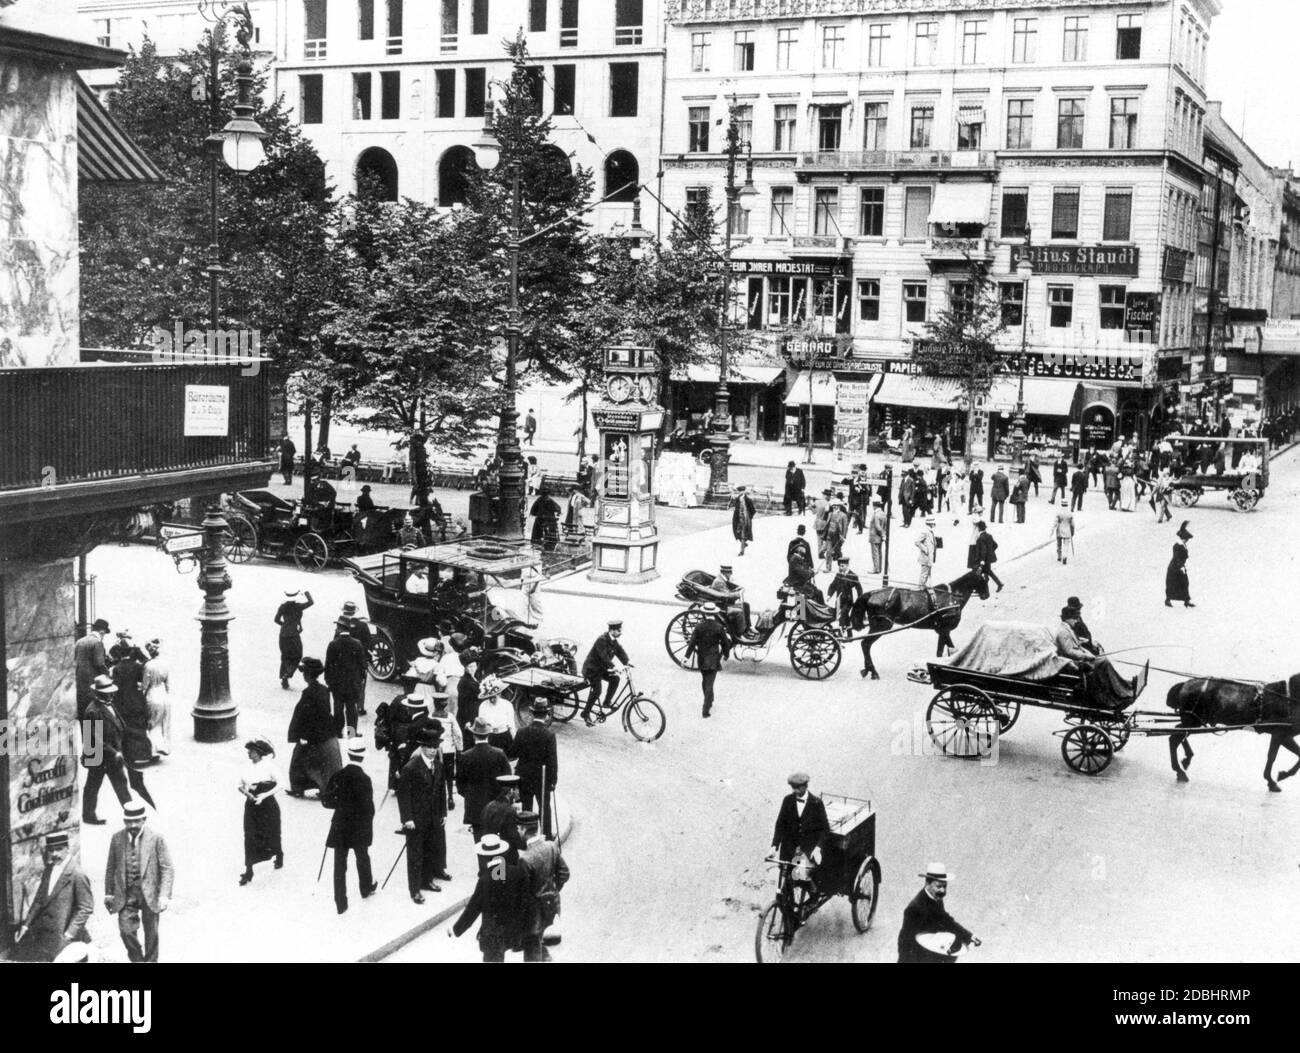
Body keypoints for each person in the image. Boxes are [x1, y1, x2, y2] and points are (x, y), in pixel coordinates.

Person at [104, 801, 174, 964]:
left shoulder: (156, 838)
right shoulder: (117, 838)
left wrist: (164, 895)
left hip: (150, 894)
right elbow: (111, 867)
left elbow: (167, 869)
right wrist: (109, 893)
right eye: (129, 821)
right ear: (124, 821)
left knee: (152, 933)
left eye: (137, 820)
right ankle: (137, 960)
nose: (133, 824)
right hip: (126, 895)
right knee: (126, 931)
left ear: (144, 819)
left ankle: (151, 961)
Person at [11, 831, 92, 963]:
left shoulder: (77, 874)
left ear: (67, 848)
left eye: (59, 849)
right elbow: (39, 900)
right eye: (51, 850)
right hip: (44, 934)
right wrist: (25, 926)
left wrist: (69, 934)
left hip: (65, 937)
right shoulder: (49, 869)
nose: (55, 854)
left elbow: (86, 907)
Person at [450, 835, 530, 962]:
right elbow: (524, 899)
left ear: (484, 857)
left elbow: (473, 909)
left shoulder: (485, 880)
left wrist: (456, 929)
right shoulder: (516, 872)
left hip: (492, 934)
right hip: (510, 930)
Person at [322, 737, 377, 914]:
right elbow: (369, 808)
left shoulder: (338, 775)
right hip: (359, 826)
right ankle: (366, 887)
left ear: (348, 754)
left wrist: (339, 805)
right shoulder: (364, 779)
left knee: (339, 864)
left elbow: (327, 800)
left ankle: (340, 901)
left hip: (340, 825)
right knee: (362, 857)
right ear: (363, 757)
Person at [397, 726, 451, 903]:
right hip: (416, 819)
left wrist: (443, 813)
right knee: (415, 855)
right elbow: (403, 795)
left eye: (435, 747)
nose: (433, 750)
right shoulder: (411, 768)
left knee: (430, 851)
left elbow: (442, 790)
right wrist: (407, 819)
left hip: (433, 817)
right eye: (430, 747)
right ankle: (414, 890)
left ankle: (427, 881)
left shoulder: (439, 766)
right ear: (422, 747)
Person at [897, 864, 978, 963]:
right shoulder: (914, 909)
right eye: (939, 886)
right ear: (927, 883)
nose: (943, 890)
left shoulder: (936, 898)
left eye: (945, 886)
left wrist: (969, 936)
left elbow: (946, 920)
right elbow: (906, 943)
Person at [517, 811, 570, 962]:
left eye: (518, 828)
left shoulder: (525, 859)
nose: (517, 831)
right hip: (552, 906)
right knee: (540, 947)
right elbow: (564, 873)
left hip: (533, 915)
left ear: (524, 830)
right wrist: (552, 890)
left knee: (532, 953)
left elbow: (524, 895)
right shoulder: (551, 846)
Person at [81, 674, 133, 825]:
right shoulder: (92, 711)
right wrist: (114, 752)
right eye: (108, 692)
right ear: (100, 693)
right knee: (93, 784)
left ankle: (130, 810)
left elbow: (119, 723)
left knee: (120, 782)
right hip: (98, 754)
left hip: (112, 753)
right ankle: (88, 815)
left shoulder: (108, 704)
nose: (112, 694)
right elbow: (94, 740)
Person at [286, 657, 342, 798]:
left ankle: (298, 788)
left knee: (298, 760)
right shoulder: (323, 690)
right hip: (326, 733)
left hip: (314, 734)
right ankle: (325, 790)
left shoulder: (309, 693)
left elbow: (306, 716)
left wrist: (303, 735)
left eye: (305, 673)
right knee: (326, 766)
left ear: (308, 675)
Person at [771, 773, 830, 893]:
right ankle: (788, 905)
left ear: (805, 786)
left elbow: (825, 829)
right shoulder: (788, 800)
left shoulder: (816, 803)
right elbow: (780, 824)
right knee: (786, 875)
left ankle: (813, 895)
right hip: (789, 848)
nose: (795, 791)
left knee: (803, 874)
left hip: (808, 849)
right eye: (793, 787)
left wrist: (818, 848)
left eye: (798, 787)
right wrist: (774, 846)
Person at [509, 699, 559, 838]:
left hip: (524, 775)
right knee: (544, 807)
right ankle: (547, 835)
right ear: (547, 714)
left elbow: (513, 753)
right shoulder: (549, 735)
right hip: (541, 777)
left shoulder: (522, 732)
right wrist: (553, 781)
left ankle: (527, 835)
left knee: (526, 807)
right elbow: (552, 761)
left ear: (531, 713)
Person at [237, 736, 283, 886]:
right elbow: (240, 784)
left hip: (267, 805)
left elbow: (280, 784)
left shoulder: (269, 766)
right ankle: (249, 870)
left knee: (272, 832)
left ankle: (278, 854)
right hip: (251, 804)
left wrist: (264, 795)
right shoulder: (247, 766)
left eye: (251, 751)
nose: (248, 753)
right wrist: (247, 793)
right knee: (249, 835)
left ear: (258, 752)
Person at [458, 718, 512, 840]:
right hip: (497, 807)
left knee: (480, 844)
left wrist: (471, 796)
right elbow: (508, 781)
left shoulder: (465, 756)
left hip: (475, 810)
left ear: (473, 735)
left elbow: (461, 787)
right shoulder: (499, 754)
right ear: (488, 735)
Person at [683, 602, 732, 718]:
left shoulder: (699, 627)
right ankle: (706, 709)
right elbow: (725, 643)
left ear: (704, 613)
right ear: (714, 614)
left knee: (705, 681)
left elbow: (692, 643)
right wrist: (726, 655)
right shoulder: (719, 627)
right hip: (713, 659)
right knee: (710, 683)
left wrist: (686, 657)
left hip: (702, 658)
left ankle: (710, 699)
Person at [581, 620, 630, 726]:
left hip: (601, 669)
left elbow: (620, 652)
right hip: (592, 670)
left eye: (620, 630)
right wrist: (614, 667)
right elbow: (604, 657)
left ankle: (607, 702)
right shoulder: (601, 640)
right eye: (618, 630)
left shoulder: (613, 641)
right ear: (612, 630)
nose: (620, 632)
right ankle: (585, 713)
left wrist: (627, 662)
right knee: (597, 691)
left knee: (615, 679)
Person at [325, 620, 367, 738]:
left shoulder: (333, 644)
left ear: (340, 628)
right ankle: (351, 733)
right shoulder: (357, 643)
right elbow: (362, 664)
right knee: (351, 709)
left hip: (337, 683)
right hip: (352, 683)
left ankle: (338, 732)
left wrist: (329, 681)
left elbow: (328, 665)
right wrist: (360, 680)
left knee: (338, 708)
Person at [479, 773, 527, 863]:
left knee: (495, 876)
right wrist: (527, 844)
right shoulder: (509, 810)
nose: (519, 792)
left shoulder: (489, 806)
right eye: (517, 789)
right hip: (506, 856)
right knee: (503, 876)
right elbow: (513, 836)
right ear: (511, 791)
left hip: (490, 854)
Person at [428, 694, 462, 811]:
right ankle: (450, 797)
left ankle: (435, 798)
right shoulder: (450, 717)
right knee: (449, 774)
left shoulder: (430, 716)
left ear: (434, 704)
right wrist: (459, 749)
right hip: (448, 750)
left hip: (434, 749)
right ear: (445, 705)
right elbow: (458, 734)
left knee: (434, 773)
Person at [274, 590, 314, 690]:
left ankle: (284, 678)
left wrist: (284, 625)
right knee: (297, 655)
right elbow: (311, 602)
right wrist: (306, 593)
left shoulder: (282, 606)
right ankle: (288, 673)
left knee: (285, 656)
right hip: (294, 635)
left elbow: (276, 620)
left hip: (283, 635)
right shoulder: (298, 606)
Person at [75, 617, 111, 720]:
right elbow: (99, 664)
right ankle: (95, 736)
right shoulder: (97, 643)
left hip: (79, 686)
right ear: (102, 632)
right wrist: (108, 675)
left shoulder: (79, 642)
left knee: (83, 713)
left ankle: (84, 736)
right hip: (93, 686)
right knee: (95, 715)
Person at [141, 639, 170, 757]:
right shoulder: (165, 664)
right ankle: (163, 745)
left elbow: (145, 685)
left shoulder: (148, 665)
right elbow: (168, 684)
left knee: (152, 722)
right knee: (162, 722)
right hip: (163, 694)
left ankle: (153, 749)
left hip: (152, 695)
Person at [475, 674, 515, 753]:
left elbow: (512, 725)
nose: (492, 699)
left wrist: (515, 740)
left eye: (494, 697)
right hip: (490, 737)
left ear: (499, 694)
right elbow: (481, 725)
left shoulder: (507, 705)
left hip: (504, 737)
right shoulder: (483, 706)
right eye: (490, 697)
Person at [827, 557, 862, 634]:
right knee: (845, 616)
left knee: (842, 615)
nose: (840, 567)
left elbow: (858, 588)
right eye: (839, 566)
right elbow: (833, 585)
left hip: (848, 601)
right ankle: (850, 635)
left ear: (847, 565)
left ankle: (840, 633)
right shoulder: (838, 575)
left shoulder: (853, 575)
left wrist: (860, 598)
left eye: (842, 566)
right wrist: (829, 595)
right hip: (839, 600)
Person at [1165, 521, 1195, 608]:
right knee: (1172, 584)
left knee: (1185, 583)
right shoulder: (1177, 545)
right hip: (1174, 568)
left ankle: (1186, 600)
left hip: (1180, 566)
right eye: (1186, 539)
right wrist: (1181, 566)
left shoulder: (1182, 545)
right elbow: (1176, 557)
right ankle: (1168, 600)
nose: (1187, 541)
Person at [969, 520, 1003, 592]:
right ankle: (996, 584)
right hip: (989, 558)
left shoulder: (980, 539)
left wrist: (982, 560)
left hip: (983, 559)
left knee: (979, 572)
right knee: (987, 572)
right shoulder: (989, 536)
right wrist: (990, 552)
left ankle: (980, 588)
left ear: (978, 529)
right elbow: (995, 545)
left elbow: (983, 551)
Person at [824, 497, 850, 570]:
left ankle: (841, 568)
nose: (834, 507)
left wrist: (843, 537)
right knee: (828, 552)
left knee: (838, 553)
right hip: (829, 536)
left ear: (839, 506)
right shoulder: (830, 514)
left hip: (837, 537)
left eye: (836, 505)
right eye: (833, 505)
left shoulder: (843, 515)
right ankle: (828, 568)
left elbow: (845, 527)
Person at [731, 485, 756, 556]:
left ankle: (742, 551)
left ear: (744, 491)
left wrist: (748, 517)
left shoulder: (748, 500)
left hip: (745, 520)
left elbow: (753, 510)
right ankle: (744, 543)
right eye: (739, 491)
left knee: (743, 534)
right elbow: (734, 507)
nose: (740, 493)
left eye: (742, 491)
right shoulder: (737, 499)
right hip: (737, 519)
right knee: (736, 532)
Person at [1051, 499, 1075, 564]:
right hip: (1067, 531)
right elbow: (1072, 524)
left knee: (1059, 545)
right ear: (1067, 505)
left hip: (1059, 530)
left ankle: (1059, 556)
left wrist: (1052, 530)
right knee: (1066, 545)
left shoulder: (1059, 513)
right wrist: (1072, 532)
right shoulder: (1070, 513)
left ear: (1061, 504)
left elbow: (1055, 522)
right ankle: (1065, 557)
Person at [915, 516, 938, 587]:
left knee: (927, 574)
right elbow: (917, 542)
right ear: (930, 524)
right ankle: (921, 588)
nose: (934, 525)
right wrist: (926, 550)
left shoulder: (930, 531)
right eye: (933, 523)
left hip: (929, 557)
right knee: (924, 574)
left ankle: (923, 586)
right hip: (926, 557)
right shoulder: (925, 532)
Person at [868, 498, 887, 574]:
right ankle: (879, 568)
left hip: (874, 536)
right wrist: (883, 534)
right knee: (879, 553)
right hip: (880, 537)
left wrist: (882, 534)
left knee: (875, 553)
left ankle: (876, 569)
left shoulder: (876, 515)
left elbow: (877, 526)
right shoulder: (883, 513)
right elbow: (885, 526)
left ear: (875, 506)